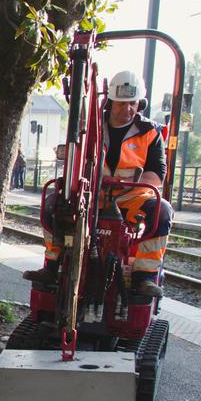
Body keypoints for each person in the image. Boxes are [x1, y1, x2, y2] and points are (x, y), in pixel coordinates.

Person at [23, 70, 173, 298]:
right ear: (110, 102)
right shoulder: (91, 128)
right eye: (122, 103)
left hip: (132, 199)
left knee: (162, 212)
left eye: (133, 103)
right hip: (93, 196)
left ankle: (144, 276)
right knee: (53, 204)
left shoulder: (150, 133)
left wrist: (126, 185)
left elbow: (156, 174)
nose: (128, 109)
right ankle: (52, 266)